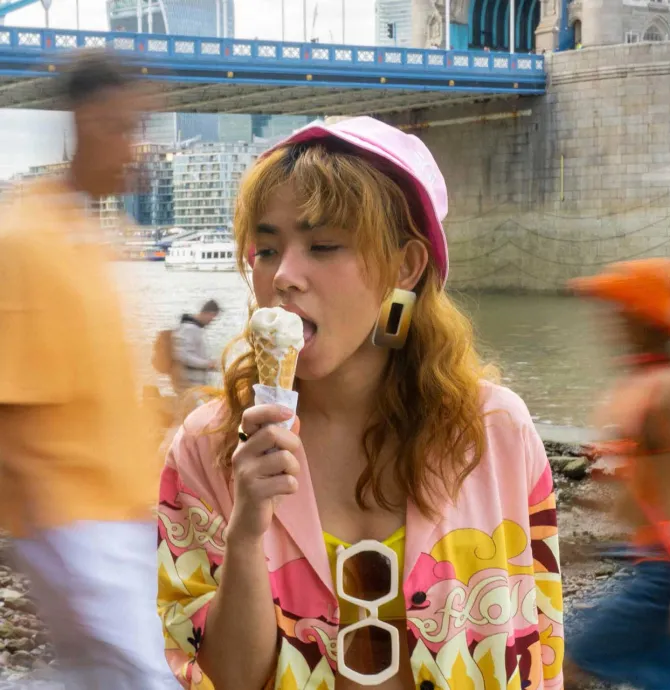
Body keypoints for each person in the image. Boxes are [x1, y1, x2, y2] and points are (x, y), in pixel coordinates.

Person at [157, 117, 564, 690]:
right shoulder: (209, 446)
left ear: (406, 266)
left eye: (323, 246)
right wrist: (246, 533)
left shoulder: (492, 432)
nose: (284, 277)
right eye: (267, 249)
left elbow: (538, 647)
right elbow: (226, 677)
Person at [0, 51, 175, 689]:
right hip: (77, 524)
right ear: (87, 121)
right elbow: (10, 411)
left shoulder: (91, 234)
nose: (137, 148)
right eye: (125, 128)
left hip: (120, 512)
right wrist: (57, 556)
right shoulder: (25, 240)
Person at [565, 259, 670, 690]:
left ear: (642, 318)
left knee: (565, 664)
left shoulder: (668, 390)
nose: (610, 322)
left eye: (618, 310)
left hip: (669, 569)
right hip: (656, 561)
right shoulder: (654, 384)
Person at [171, 299, 221, 395]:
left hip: (195, 385)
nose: (211, 321)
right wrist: (208, 364)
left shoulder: (195, 328)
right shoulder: (189, 328)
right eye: (212, 317)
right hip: (190, 385)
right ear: (207, 313)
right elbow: (182, 355)